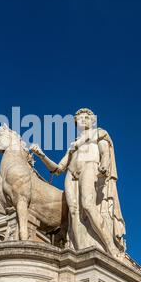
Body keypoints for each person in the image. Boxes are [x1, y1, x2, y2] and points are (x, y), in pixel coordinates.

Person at [31, 108, 125, 256]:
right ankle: (79, 250)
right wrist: (42, 155)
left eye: (86, 117)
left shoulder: (98, 133)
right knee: (73, 212)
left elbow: (105, 152)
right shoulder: (73, 146)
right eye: (80, 118)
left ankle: (110, 248)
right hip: (71, 174)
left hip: (90, 166)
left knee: (88, 205)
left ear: (92, 120)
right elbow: (57, 169)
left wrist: (105, 164)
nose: (83, 120)